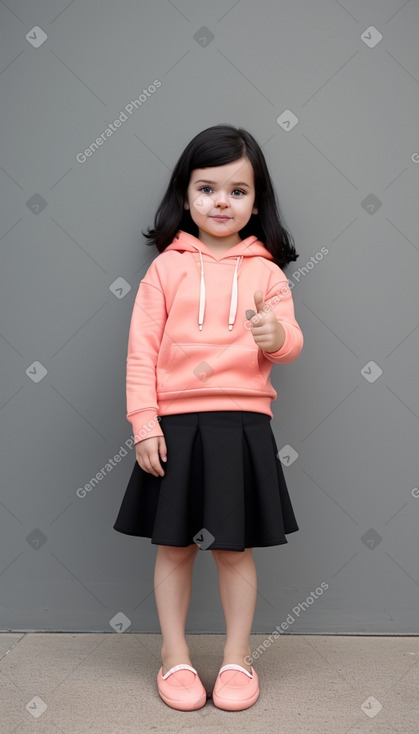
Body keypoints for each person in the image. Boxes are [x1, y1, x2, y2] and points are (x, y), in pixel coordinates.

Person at [113, 124, 304, 712]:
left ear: (257, 200)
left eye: (238, 191)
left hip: (243, 426)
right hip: (174, 425)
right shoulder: (165, 270)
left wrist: (276, 335)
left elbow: (289, 341)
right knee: (173, 547)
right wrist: (145, 423)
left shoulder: (267, 273)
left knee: (233, 548)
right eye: (208, 188)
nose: (222, 202)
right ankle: (174, 656)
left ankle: (236, 658)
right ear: (185, 195)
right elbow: (141, 352)